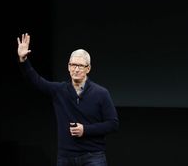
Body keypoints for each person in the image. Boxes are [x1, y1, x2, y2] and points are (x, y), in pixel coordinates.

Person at [17, 33, 119, 166]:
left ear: (88, 68)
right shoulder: (59, 90)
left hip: (93, 156)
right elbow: (35, 80)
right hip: (66, 157)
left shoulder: (101, 93)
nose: (75, 69)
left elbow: (113, 124)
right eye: (73, 65)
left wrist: (85, 130)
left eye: (80, 66)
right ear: (68, 66)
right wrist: (23, 60)